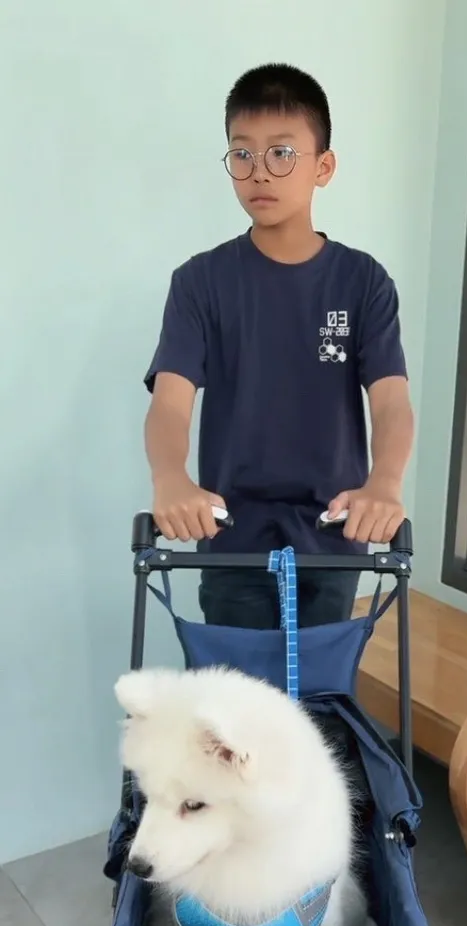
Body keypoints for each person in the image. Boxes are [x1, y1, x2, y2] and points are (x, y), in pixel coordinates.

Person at [144, 63, 414, 629]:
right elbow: (170, 402)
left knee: (317, 705)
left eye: (281, 153)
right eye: (242, 154)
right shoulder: (199, 283)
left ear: (324, 167)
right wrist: (171, 478)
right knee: (235, 707)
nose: (259, 172)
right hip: (230, 537)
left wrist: (383, 485)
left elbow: (390, 402)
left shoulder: (364, 283)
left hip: (334, 537)